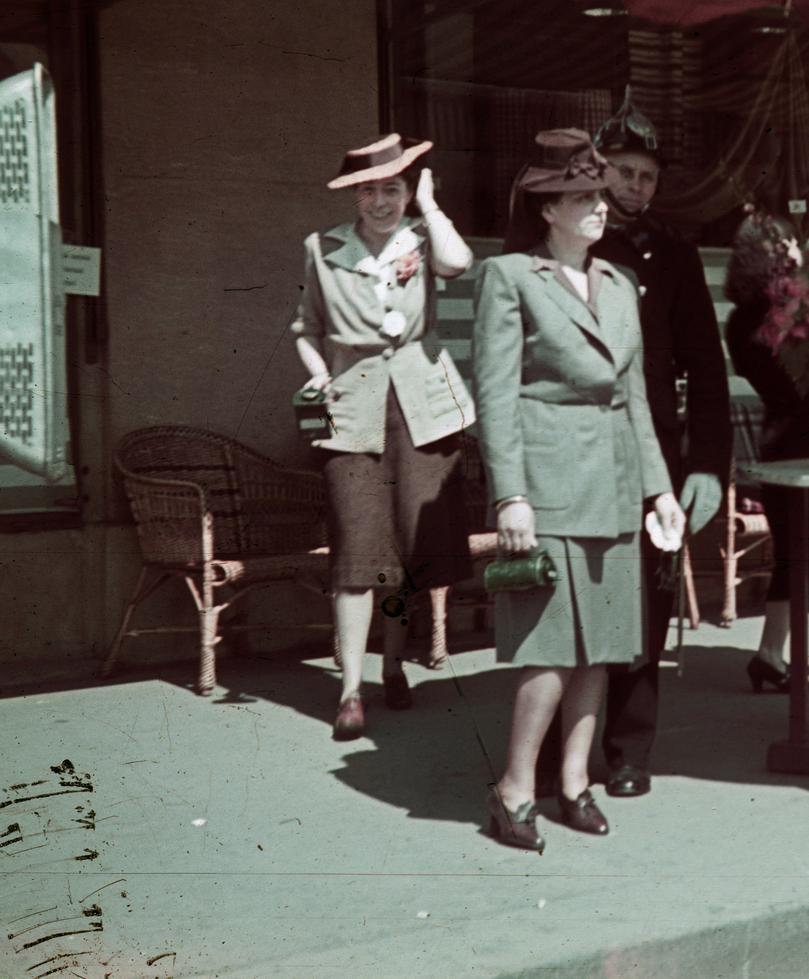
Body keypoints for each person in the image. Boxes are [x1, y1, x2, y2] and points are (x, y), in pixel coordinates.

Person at [472, 128, 686, 852]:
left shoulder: (620, 285)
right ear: (546, 211)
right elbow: (496, 397)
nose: (600, 207)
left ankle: (572, 784)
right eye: (583, 196)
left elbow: (635, 400)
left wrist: (659, 492)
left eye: (600, 195)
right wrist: (511, 496)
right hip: (551, 485)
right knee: (552, 647)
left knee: (604, 646)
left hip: (617, 484)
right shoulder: (509, 278)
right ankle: (513, 788)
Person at [532, 95, 732, 800]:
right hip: (576, 451)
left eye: (646, 176)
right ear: (596, 170)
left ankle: (628, 750)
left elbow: (707, 370)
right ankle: (561, 753)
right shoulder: (565, 244)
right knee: (575, 601)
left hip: (654, 453)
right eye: (622, 171)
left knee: (646, 600)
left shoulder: (673, 257)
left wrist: (708, 466)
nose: (633, 187)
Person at [293, 134, 476, 741]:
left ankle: (393, 667)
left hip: (422, 409)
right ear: (354, 196)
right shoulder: (322, 249)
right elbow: (306, 328)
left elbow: (459, 264)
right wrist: (321, 375)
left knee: (404, 552)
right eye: (370, 190)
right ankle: (349, 691)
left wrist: (431, 203)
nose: (381, 202)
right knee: (357, 555)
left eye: (392, 189)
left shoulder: (424, 240)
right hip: (353, 412)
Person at [723, 213, 809, 692]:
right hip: (803, 439)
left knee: (801, 551)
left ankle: (772, 656)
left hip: (783, 440)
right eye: (791, 246)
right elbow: (799, 380)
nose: (799, 252)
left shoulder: (743, 319)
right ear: (771, 256)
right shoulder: (777, 317)